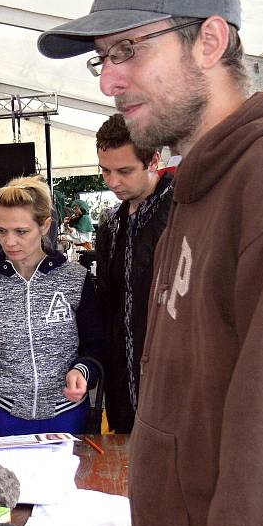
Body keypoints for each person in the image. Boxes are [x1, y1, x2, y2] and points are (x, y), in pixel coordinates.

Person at [37, 0, 263, 526]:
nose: (108, 81)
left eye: (128, 49)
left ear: (209, 41)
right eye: (102, 59)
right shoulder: (198, 188)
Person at [0, 176, 104, 435]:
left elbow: (95, 343)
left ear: (44, 225)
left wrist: (83, 370)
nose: (10, 241)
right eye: (2, 230)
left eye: (21, 231)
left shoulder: (75, 278)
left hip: (66, 415)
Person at [93, 114, 174, 434]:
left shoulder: (181, 211)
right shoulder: (110, 225)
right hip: (121, 385)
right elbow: (107, 305)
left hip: (172, 380)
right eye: (105, 171)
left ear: (153, 160)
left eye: (124, 171)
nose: (113, 182)